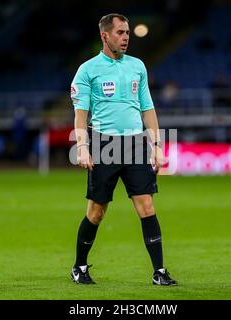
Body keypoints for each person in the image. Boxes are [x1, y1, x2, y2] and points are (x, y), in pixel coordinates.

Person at [69, 13, 177, 286]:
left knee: (147, 206)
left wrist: (157, 145)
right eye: (120, 32)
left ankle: (159, 272)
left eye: (127, 32)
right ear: (105, 36)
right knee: (96, 211)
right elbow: (81, 116)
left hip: (135, 144)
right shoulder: (88, 70)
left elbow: (147, 108)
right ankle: (79, 267)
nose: (126, 37)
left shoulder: (137, 67)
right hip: (103, 144)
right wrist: (82, 146)